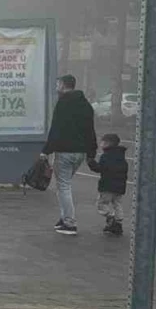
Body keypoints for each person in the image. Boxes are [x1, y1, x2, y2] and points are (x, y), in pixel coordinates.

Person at [42, 74, 97, 235]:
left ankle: (69, 222)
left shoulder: (63, 103)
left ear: (64, 85)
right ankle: (64, 217)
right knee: (64, 185)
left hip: (65, 152)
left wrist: (46, 151)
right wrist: (91, 153)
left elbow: (56, 129)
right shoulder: (86, 105)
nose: (56, 87)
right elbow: (90, 131)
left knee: (63, 186)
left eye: (58, 84)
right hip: (79, 153)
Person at [87, 133, 128, 236]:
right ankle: (118, 222)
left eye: (102, 142)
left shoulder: (106, 156)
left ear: (108, 144)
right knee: (117, 204)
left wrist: (91, 162)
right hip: (120, 186)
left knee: (101, 204)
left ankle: (110, 218)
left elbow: (100, 169)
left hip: (107, 186)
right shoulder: (121, 157)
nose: (101, 144)